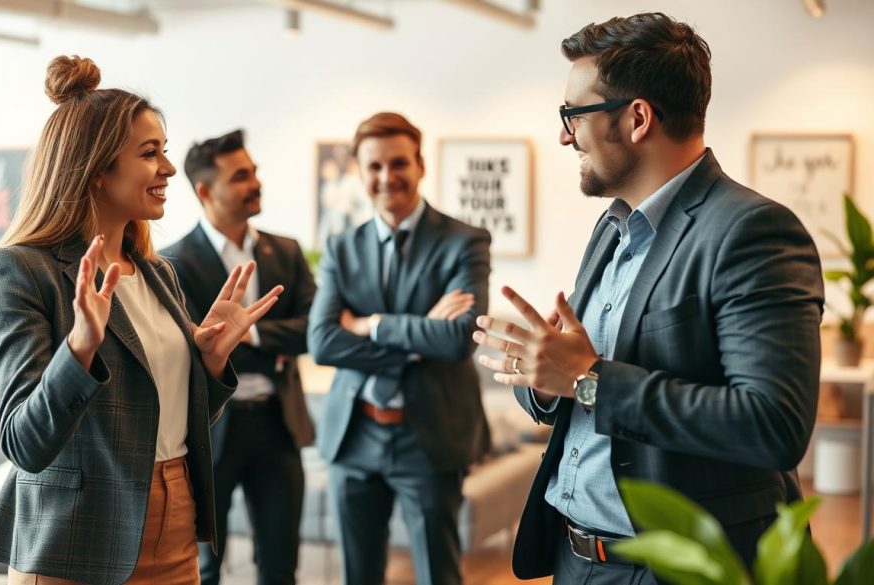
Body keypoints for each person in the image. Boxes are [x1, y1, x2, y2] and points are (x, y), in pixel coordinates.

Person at [472, 13, 824, 584]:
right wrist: (548, 379)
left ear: (637, 118)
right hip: (575, 558)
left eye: (573, 115)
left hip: (681, 569)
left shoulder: (753, 231)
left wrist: (588, 379)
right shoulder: (612, 228)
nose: (564, 135)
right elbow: (585, 382)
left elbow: (772, 425)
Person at [0, 55, 282, 585]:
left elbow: (156, 422)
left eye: (164, 151)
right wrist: (79, 351)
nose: (168, 169)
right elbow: (24, 444)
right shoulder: (20, 270)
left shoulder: (157, 273)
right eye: (150, 154)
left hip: (174, 516)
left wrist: (208, 364)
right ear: (96, 171)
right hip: (76, 537)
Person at [308, 112, 492, 585]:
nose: (387, 177)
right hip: (355, 435)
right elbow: (323, 342)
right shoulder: (341, 248)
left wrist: (371, 324)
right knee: (359, 576)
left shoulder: (464, 242)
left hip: (427, 435)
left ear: (420, 165)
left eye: (398, 163)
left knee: (438, 574)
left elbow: (456, 339)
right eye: (374, 167)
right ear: (360, 172)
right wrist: (415, 339)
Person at [161, 129, 316, 585]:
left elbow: (314, 331)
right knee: (204, 567)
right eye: (241, 176)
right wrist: (276, 346)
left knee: (280, 564)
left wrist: (246, 338)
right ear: (206, 191)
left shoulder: (285, 252)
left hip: (278, 424)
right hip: (210, 430)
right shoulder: (172, 262)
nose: (256, 183)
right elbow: (188, 352)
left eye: (255, 172)